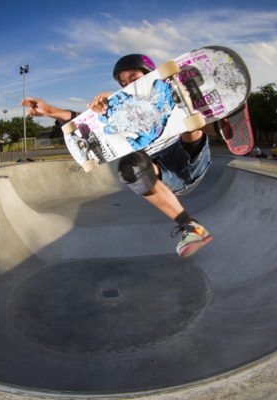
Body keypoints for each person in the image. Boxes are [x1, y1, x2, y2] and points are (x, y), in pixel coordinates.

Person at [21, 54, 215, 258]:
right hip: (165, 177)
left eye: (134, 78)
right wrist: (50, 110)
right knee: (130, 167)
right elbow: (87, 125)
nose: (128, 85)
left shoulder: (163, 92)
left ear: (149, 75)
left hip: (190, 156)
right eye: (123, 83)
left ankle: (223, 123)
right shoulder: (123, 111)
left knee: (184, 111)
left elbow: (184, 115)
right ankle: (192, 227)